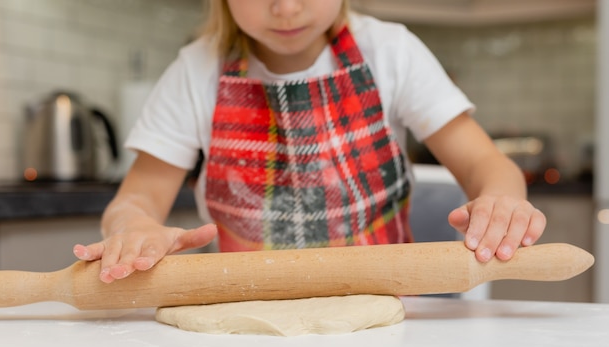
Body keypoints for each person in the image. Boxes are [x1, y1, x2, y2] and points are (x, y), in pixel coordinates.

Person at [73, 0, 546, 284]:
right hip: (243, 325)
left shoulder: (391, 52)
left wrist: (502, 200)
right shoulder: (195, 72)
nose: (285, 7)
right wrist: (132, 227)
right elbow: (136, 198)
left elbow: (485, 163)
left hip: (384, 318)